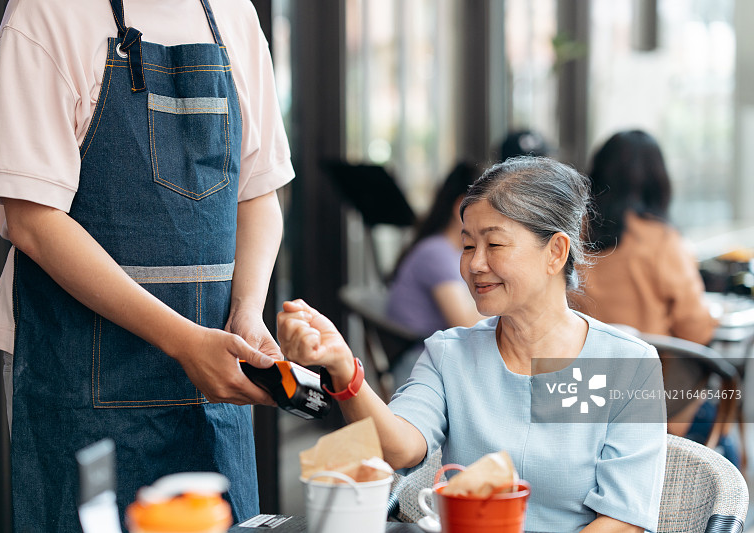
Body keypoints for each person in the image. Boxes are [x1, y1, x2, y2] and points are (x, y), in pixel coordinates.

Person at [0, 0, 292, 530]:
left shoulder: (233, 13)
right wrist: (184, 342)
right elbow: (32, 219)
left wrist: (246, 311)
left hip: (212, 375)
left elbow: (259, 195)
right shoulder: (46, 12)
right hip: (77, 375)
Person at [279, 157, 666, 533]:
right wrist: (344, 368)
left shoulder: (629, 363)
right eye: (467, 246)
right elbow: (399, 449)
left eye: (494, 244)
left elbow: (623, 519)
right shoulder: (449, 354)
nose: (475, 264)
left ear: (556, 253)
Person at [569, 130, 720, 444]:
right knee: (721, 421)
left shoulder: (568, 236)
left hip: (579, 395)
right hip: (653, 403)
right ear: (657, 180)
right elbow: (695, 329)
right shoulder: (661, 240)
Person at [386, 162, 484, 338]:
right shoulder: (436, 253)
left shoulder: (446, 250)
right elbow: (468, 326)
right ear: (461, 208)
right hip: (424, 359)